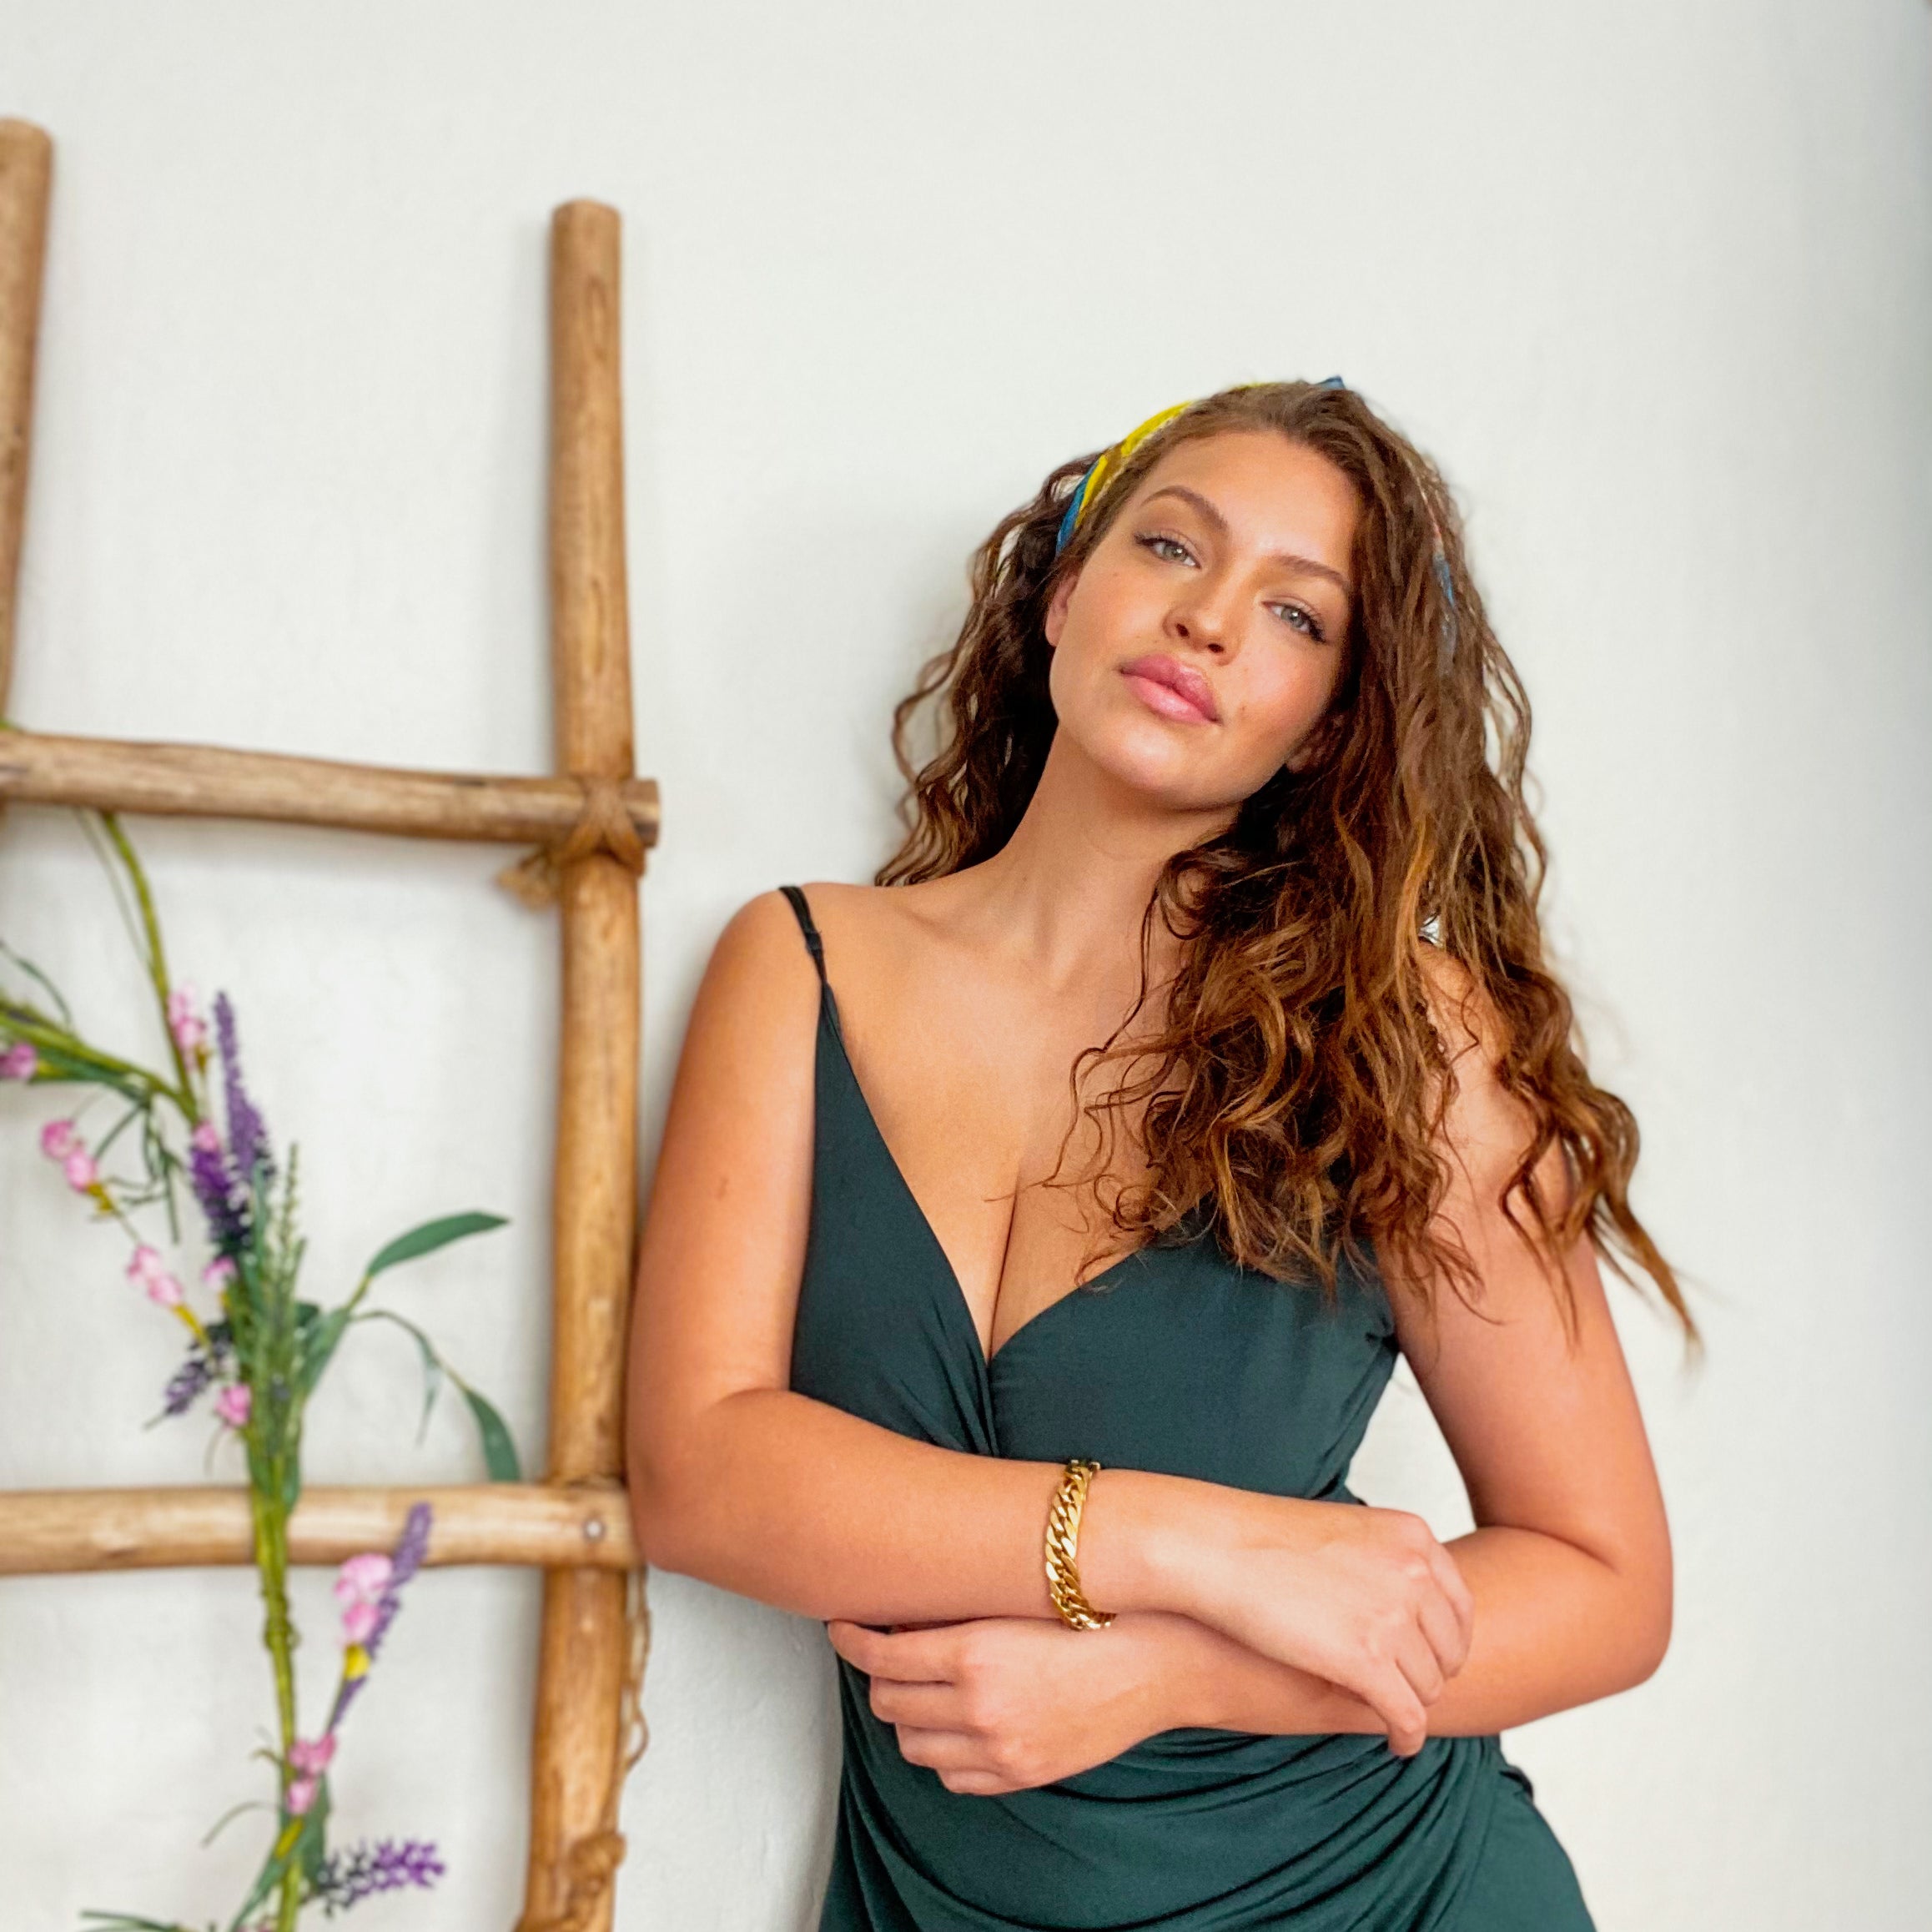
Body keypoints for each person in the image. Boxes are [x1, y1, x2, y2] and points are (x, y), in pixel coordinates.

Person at [625, 378, 1693, 1931]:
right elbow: (697, 1473)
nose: (1209, 619)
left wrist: (1172, 1672)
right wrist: (1195, 1544)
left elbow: (1605, 1583)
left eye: (1297, 615)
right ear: (1064, 594)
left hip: (1384, 1890)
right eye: (1173, 547)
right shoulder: (799, 967)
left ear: (1331, 729)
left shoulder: (1403, 1036)